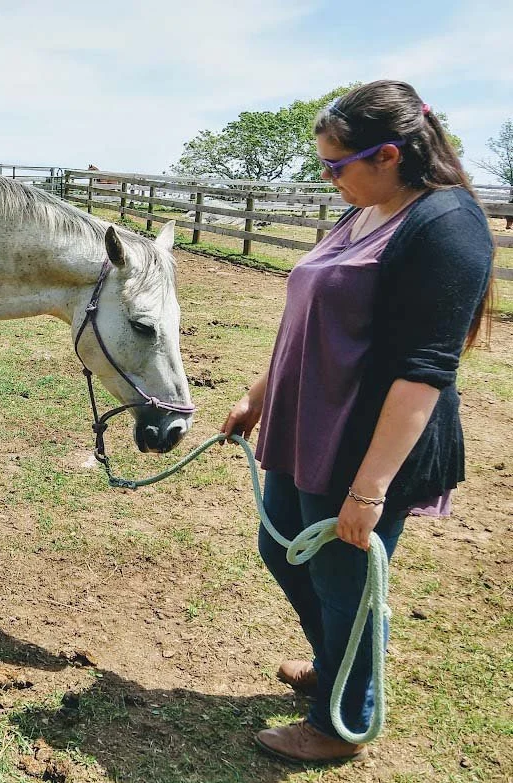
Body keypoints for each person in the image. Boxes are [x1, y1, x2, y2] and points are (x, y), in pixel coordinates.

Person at [221, 80, 494, 763]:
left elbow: (424, 369)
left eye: (335, 165)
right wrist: (259, 393)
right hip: (307, 418)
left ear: (391, 154)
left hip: (365, 438)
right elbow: (309, 321)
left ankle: (342, 719)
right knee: (282, 546)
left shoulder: (445, 226)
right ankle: (338, 663)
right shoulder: (365, 209)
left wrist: (370, 487)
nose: (326, 177)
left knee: (345, 580)